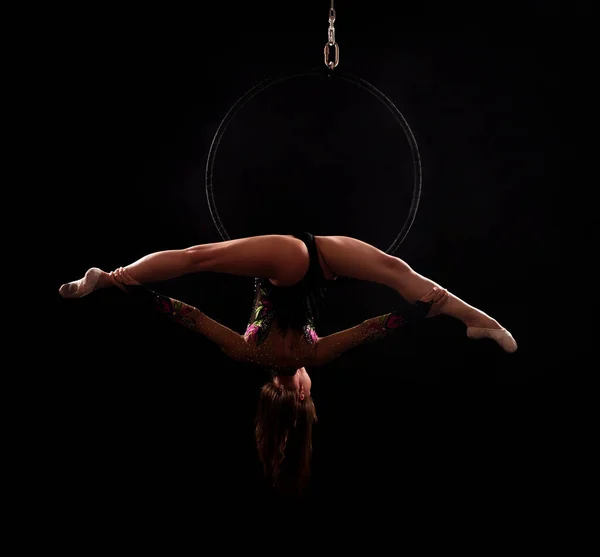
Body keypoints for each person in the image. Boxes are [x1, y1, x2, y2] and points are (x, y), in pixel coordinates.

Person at [59, 232, 517, 494]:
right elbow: (187, 315)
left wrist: (420, 312)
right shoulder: (247, 353)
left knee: (201, 258)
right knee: (397, 268)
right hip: (316, 262)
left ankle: (112, 277)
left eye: (310, 397)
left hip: (298, 262)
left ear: (300, 392)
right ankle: (479, 321)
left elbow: (377, 327)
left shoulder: (312, 355)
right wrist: (137, 298)